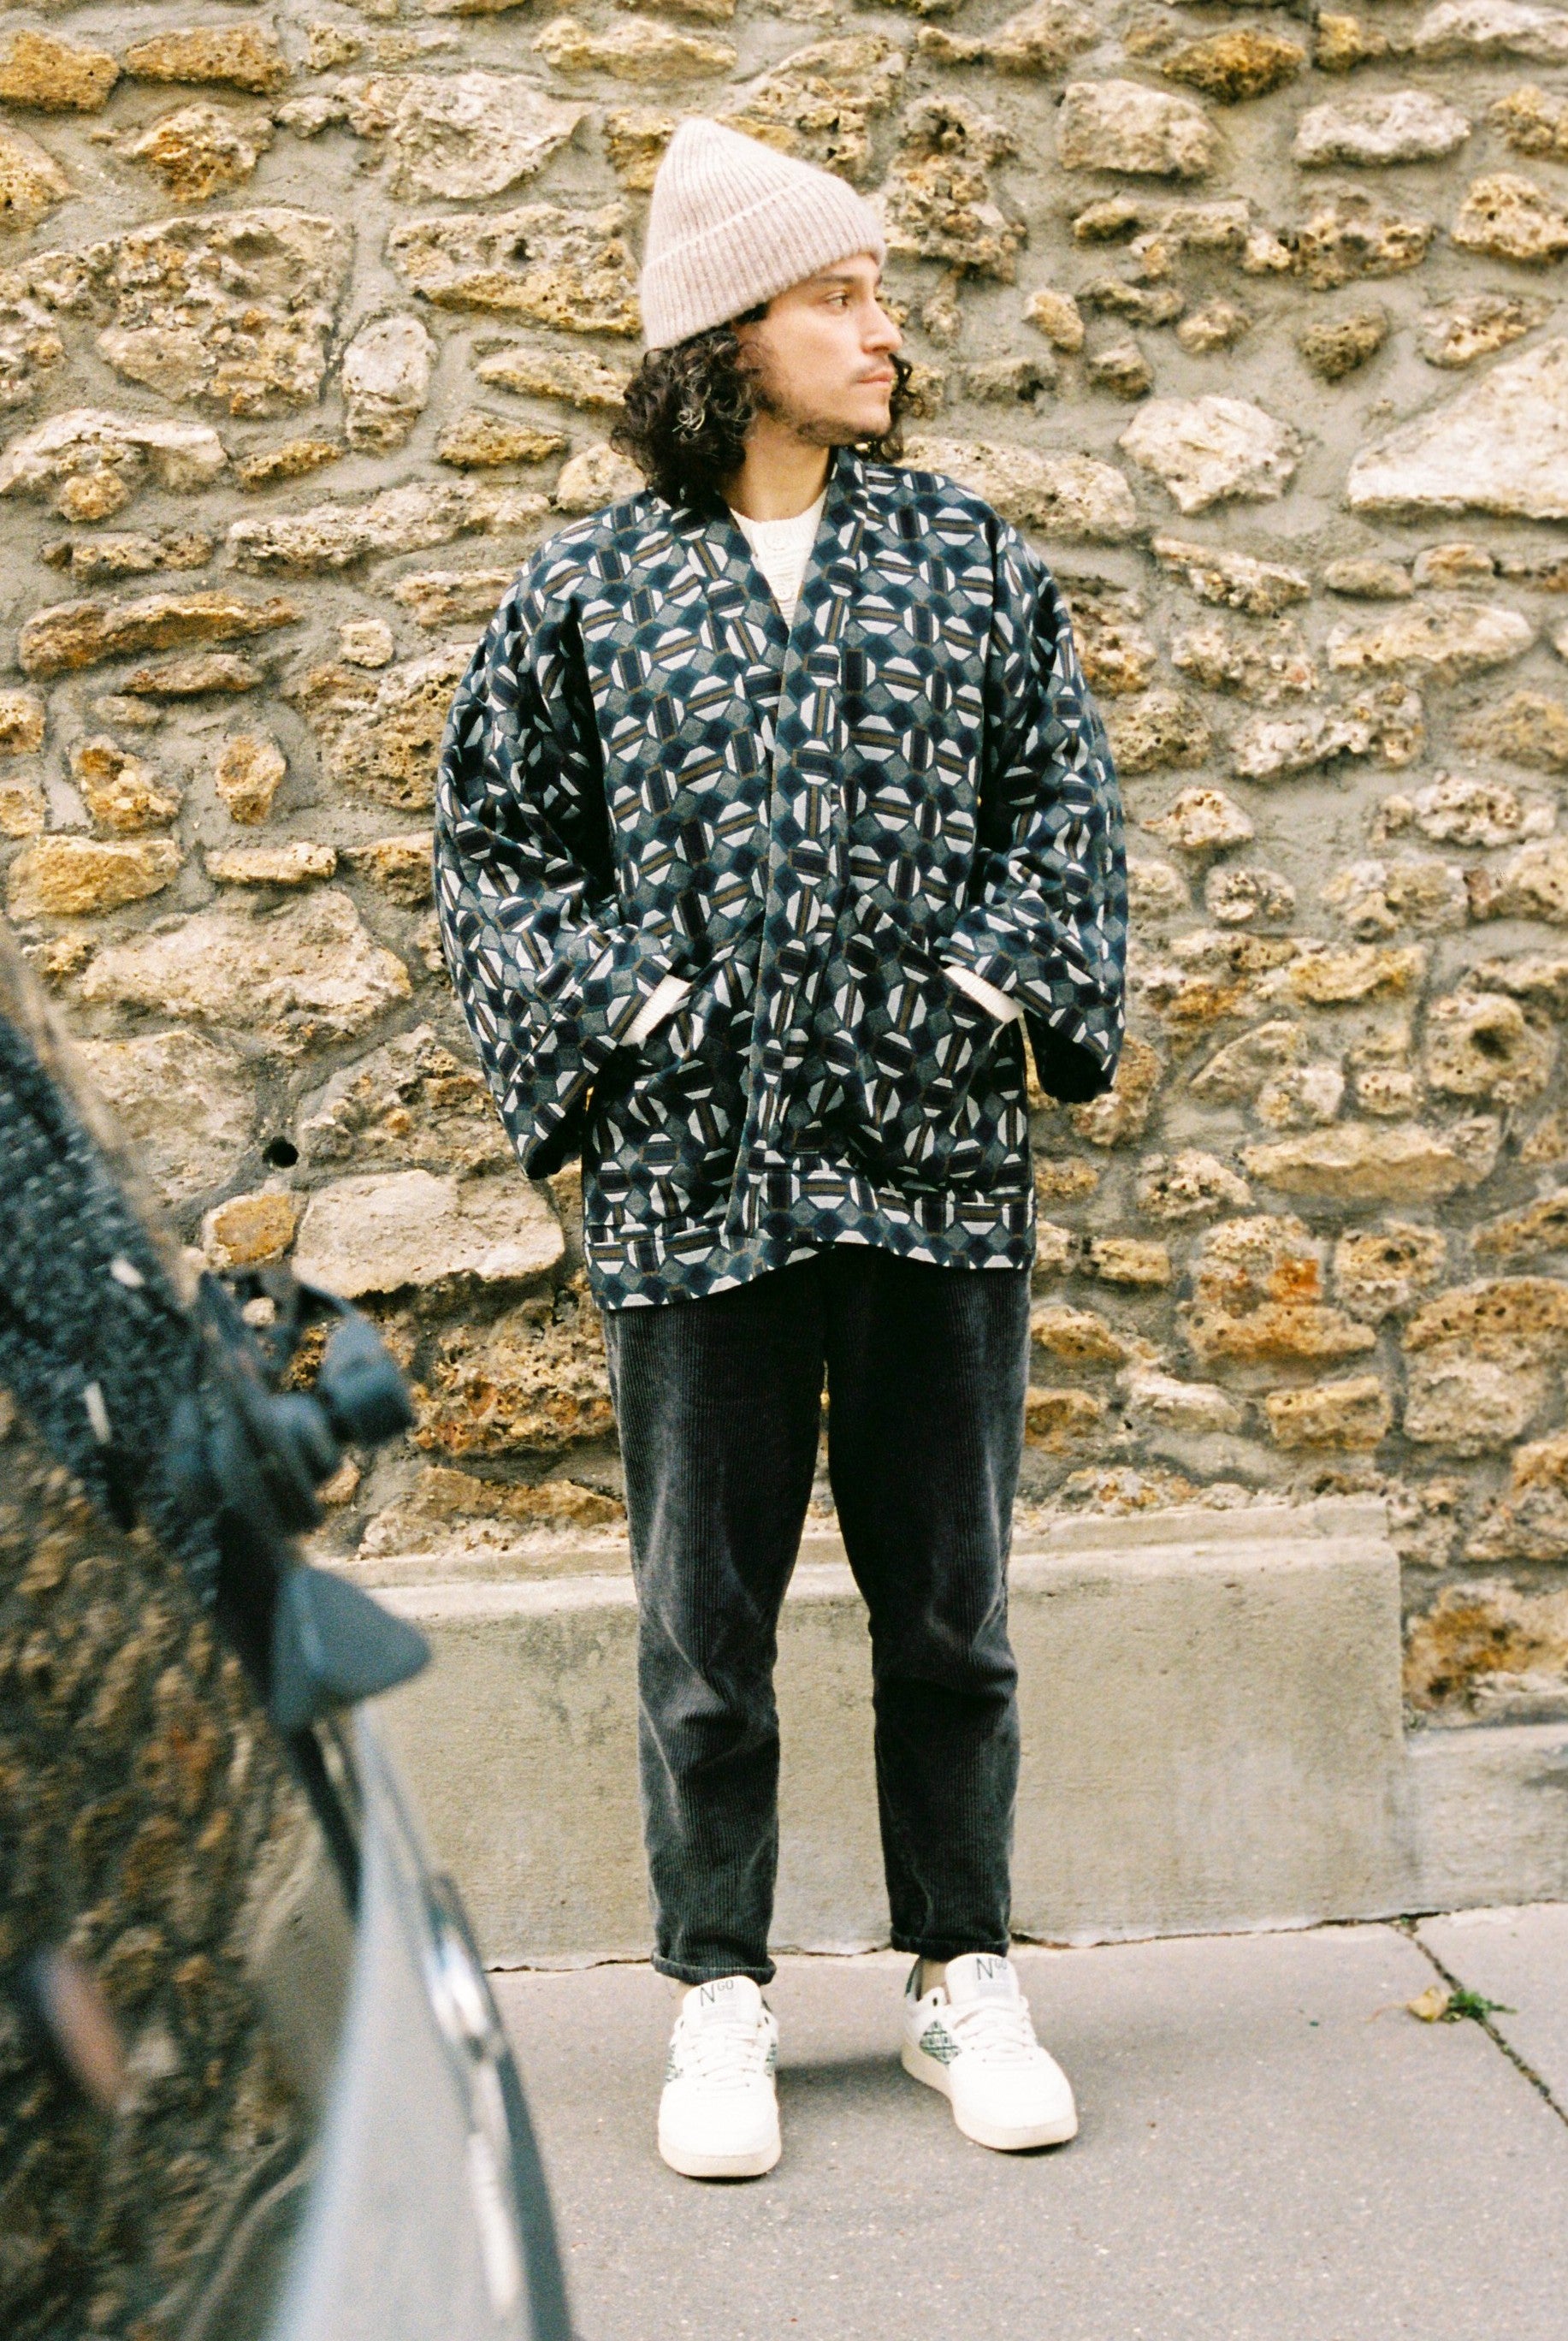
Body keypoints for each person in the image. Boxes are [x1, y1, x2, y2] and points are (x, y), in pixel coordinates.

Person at [434, 116, 1127, 2181]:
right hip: (695, 1183)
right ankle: (716, 1991)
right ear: (728, 335)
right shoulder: (586, 590)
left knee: (949, 1614)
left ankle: (956, 1975)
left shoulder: (969, 560)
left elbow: (1062, 816)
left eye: (875, 294)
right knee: (700, 1625)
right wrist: (630, 1020)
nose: (880, 331)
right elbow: (493, 850)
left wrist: (988, 993)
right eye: (838, 295)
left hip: (927, 1171)